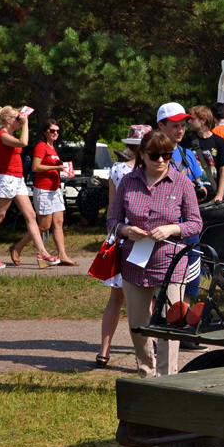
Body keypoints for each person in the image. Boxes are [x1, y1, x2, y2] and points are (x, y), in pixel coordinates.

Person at [108, 128, 202, 377]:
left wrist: (172, 228)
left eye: (166, 155)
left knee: (171, 324)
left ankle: (167, 378)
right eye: (154, 155)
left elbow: (195, 223)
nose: (161, 160)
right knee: (137, 325)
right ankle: (147, 373)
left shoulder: (182, 181)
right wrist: (126, 230)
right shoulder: (128, 181)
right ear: (142, 155)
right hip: (135, 263)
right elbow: (112, 221)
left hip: (172, 262)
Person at [97, 124, 150, 368]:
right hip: (143, 238)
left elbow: (111, 209)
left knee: (115, 300)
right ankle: (147, 355)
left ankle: (104, 352)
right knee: (146, 299)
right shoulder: (149, 172)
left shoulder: (117, 170)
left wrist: (112, 234)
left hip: (119, 236)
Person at [0, 105, 58, 269]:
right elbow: (24, 142)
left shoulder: (9, 135)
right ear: (8, 120)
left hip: (17, 179)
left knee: (31, 215)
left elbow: (22, 143)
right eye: (17, 118)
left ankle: (42, 251)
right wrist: (25, 124)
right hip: (7, 178)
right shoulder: (2, 135)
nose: (20, 120)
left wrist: (23, 123)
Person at [157, 102, 211, 310]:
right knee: (160, 285)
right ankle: (155, 333)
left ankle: (181, 332)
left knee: (189, 284)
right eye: (174, 125)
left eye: (183, 125)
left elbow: (203, 182)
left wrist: (200, 191)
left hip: (189, 229)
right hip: (164, 230)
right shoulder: (153, 155)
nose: (180, 130)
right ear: (161, 125)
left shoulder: (187, 153)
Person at [11, 117, 77, 266]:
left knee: (59, 223)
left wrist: (63, 168)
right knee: (44, 226)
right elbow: (35, 167)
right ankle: (18, 247)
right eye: (52, 130)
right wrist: (56, 168)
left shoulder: (52, 148)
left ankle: (63, 255)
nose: (55, 133)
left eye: (57, 131)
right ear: (45, 132)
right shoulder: (41, 146)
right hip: (44, 190)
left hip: (55, 190)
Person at [187, 104, 224, 201]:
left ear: (203, 120)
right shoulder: (187, 142)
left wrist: (219, 195)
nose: (189, 121)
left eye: (192, 118)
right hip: (192, 195)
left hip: (213, 194)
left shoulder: (219, 142)